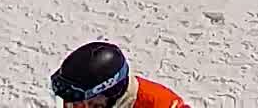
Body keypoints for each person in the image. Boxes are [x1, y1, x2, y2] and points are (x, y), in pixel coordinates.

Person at [51, 41, 192, 107]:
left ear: (110, 91)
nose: (78, 106)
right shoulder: (76, 99)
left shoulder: (160, 104)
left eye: (88, 101)